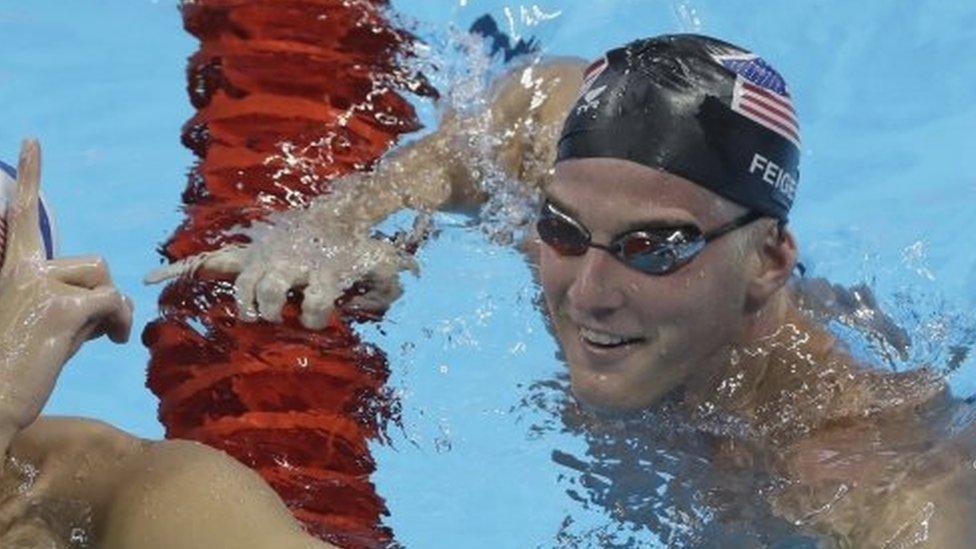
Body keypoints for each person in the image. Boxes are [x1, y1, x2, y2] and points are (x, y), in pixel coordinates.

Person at [2, 34, 973, 546]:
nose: (588, 291)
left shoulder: (861, 478)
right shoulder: (588, 183)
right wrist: (351, 218)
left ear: (768, 261)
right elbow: (505, 118)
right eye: (560, 231)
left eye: (653, 250)